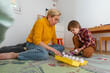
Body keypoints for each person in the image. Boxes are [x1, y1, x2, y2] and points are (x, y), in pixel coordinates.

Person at [0, 8, 64, 60]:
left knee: (61, 47)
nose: (56, 22)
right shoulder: (40, 22)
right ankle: (15, 55)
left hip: (43, 46)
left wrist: (56, 49)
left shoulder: (52, 25)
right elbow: (37, 41)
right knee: (44, 55)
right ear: (49, 16)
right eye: (55, 19)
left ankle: (40, 51)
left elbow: (54, 37)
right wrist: (52, 49)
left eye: (57, 20)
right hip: (33, 44)